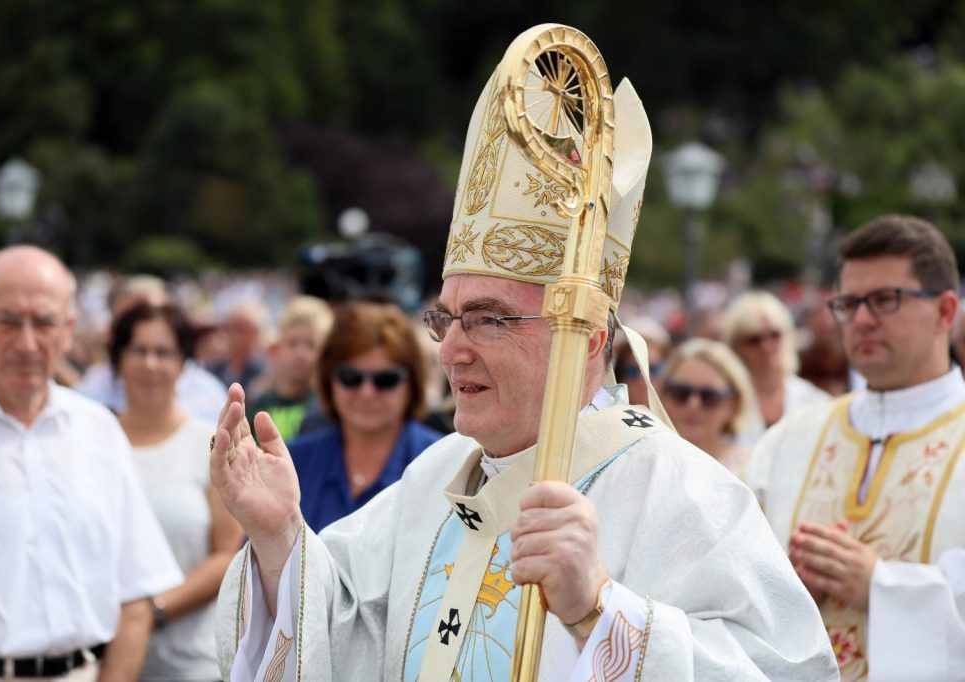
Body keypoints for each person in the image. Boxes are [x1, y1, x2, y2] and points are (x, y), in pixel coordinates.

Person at [210, 57, 837, 680]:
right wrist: (278, 537)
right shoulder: (436, 475)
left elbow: (786, 670)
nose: (451, 350)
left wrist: (601, 610)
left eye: (487, 319)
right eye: (447, 318)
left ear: (586, 339)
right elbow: (341, 624)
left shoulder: (681, 492)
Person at [0, 246, 182, 681]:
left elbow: (136, 597)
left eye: (44, 322)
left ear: (68, 330)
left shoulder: (99, 430)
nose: (27, 343)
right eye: (8, 320)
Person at [745, 215, 965, 680]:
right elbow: (736, 584)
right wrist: (783, 592)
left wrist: (881, 588)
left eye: (886, 300)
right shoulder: (789, 440)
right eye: (849, 303)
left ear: (946, 312)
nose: (862, 320)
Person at [111, 302, 245, 681]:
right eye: (138, 351)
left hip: (190, 662)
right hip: (100, 659)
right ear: (118, 360)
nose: (150, 364)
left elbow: (226, 554)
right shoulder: (93, 442)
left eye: (163, 352)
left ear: (183, 363)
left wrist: (151, 611)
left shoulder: (210, 443)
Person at [284, 300, 442, 532]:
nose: (367, 393)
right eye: (351, 377)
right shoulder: (292, 463)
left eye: (386, 379)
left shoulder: (445, 465)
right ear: (329, 379)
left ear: (413, 383)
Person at [75, 274, 228, 422]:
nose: (149, 364)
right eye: (138, 350)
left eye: (154, 315)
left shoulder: (208, 397)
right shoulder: (91, 392)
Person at [723, 290, 829, 434]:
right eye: (754, 340)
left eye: (775, 335)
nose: (767, 347)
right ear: (735, 347)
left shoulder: (816, 402)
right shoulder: (722, 404)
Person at [659, 338, 759, 474]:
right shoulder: (647, 461)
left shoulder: (753, 469)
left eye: (709, 396)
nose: (693, 404)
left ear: (734, 404)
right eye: (681, 392)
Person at [246, 295, 333, 441]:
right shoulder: (261, 405)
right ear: (278, 349)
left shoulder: (328, 408)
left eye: (311, 344)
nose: (300, 353)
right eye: (292, 343)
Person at [208, 302, 267, 393]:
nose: (235, 335)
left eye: (241, 329)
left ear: (255, 333)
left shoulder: (263, 371)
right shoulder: (215, 369)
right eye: (229, 328)